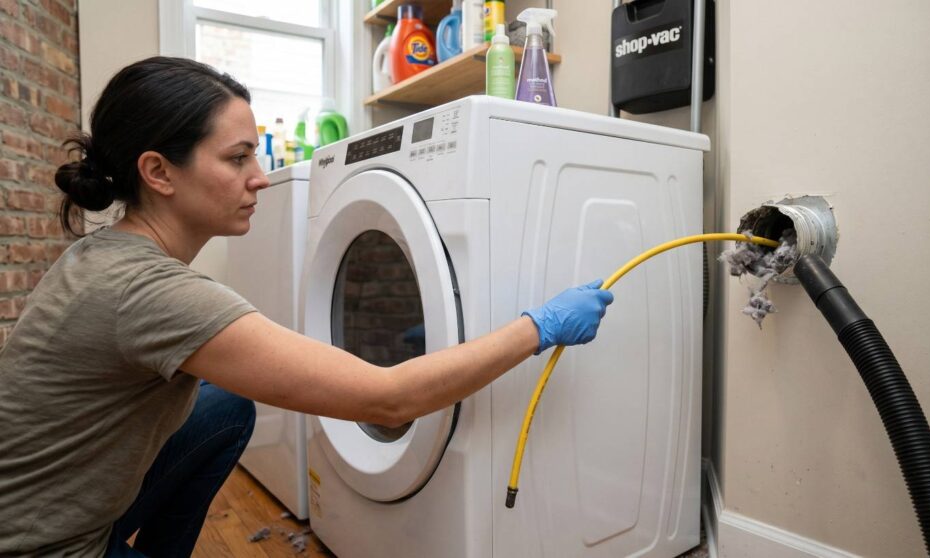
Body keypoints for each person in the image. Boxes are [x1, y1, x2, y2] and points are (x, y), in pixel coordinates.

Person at [0, 57, 613, 557]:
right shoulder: (152, 293)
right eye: (237, 157)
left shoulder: (105, 255)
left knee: (224, 405)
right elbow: (389, 398)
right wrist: (541, 326)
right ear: (159, 171)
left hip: (44, 506)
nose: (261, 177)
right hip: (44, 546)